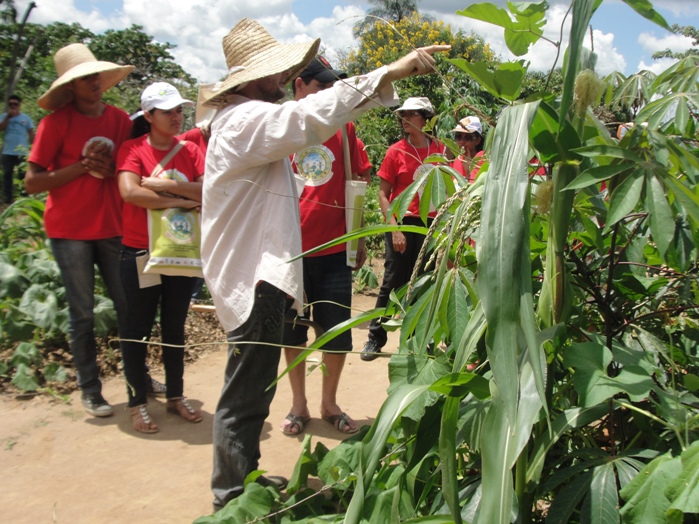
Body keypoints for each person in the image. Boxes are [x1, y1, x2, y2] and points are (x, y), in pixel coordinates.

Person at [199, 17, 449, 509]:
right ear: (254, 79)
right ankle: (230, 498)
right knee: (246, 392)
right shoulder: (244, 120)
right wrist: (388, 73)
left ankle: (242, 479)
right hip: (253, 279)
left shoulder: (244, 120)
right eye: (274, 74)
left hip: (258, 276)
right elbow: (307, 118)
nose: (280, 82)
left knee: (252, 388)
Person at [25, 43, 136, 418]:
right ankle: (91, 390)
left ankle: (137, 381)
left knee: (129, 308)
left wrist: (110, 171)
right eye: (84, 78)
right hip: (69, 231)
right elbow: (32, 183)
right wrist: (80, 167)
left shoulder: (120, 120)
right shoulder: (54, 124)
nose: (94, 83)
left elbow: (126, 166)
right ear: (69, 86)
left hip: (112, 226)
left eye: (96, 76)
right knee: (82, 313)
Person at [280, 56, 372, 437]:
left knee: (336, 332)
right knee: (292, 332)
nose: (329, 93)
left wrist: (360, 236)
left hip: (335, 249)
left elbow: (360, 180)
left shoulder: (343, 128)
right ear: (299, 85)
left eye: (334, 87)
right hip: (289, 251)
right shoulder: (280, 128)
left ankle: (328, 403)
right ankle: (298, 404)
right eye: (322, 86)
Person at [116, 82, 205, 434]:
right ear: (148, 115)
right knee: (136, 329)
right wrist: (180, 201)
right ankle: (137, 402)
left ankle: (175, 396)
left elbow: (205, 188)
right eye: (167, 111)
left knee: (174, 327)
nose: (176, 116)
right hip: (141, 250)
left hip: (180, 251)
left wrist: (163, 187)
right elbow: (129, 191)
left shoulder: (189, 150)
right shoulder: (132, 149)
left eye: (179, 110)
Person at [360, 96, 446, 361]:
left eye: (411, 114)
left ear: (426, 117)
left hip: (431, 223)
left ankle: (419, 340)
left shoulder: (441, 150)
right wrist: (394, 228)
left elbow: (446, 190)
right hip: (403, 222)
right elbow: (384, 195)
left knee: (425, 282)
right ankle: (375, 338)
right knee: (394, 281)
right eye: (403, 114)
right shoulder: (395, 151)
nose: (405, 119)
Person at [1, 95, 34, 204]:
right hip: (7, 152)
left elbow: (31, 133)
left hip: (22, 152)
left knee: (22, 175)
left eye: (15, 104)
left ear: (19, 105)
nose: (13, 106)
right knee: (7, 175)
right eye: (11, 104)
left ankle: (23, 199)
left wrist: (33, 148)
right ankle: (7, 199)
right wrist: (8, 117)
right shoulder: (4, 116)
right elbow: (1, 128)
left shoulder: (25, 118)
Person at [450, 115, 484, 182]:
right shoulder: (458, 160)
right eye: (459, 137)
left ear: (478, 140)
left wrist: (468, 170)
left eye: (468, 138)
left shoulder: (482, 158)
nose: (462, 142)